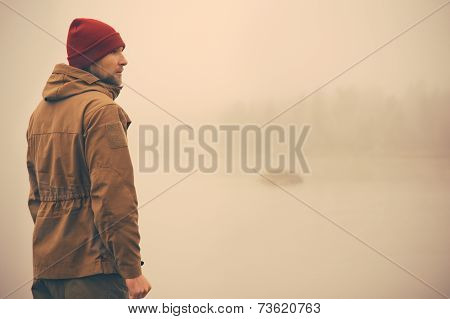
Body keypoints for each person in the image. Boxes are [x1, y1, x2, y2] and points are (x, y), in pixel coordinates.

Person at [26, 18, 151, 299]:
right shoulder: (101, 110)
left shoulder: (39, 114)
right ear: (90, 59)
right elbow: (114, 196)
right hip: (93, 276)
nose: (124, 60)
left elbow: (36, 199)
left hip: (47, 273)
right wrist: (131, 270)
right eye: (114, 52)